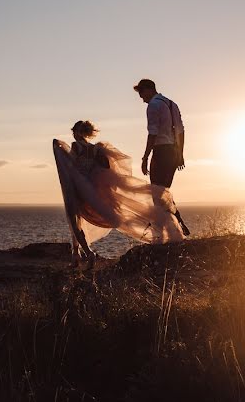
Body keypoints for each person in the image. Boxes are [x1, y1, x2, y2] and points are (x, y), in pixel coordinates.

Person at [53, 120, 185, 268]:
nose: (73, 135)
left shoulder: (76, 146)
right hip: (92, 187)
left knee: (74, 219)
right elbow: (106, 166)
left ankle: (87, 253)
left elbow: (72, 163)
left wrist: (58, 148)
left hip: (79, 187)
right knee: (77, 220)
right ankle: (76, 255)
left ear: (78, 132)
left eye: (74, 132)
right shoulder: (96, 149)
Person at [133, 78, 190, 235]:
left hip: (161, 151)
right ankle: (176, 227)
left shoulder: (153, 105)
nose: (141, 98)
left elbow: (152, 133)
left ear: (149, 89)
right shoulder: (172, 104)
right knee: (164, 192)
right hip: (173, 151)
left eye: (142, 93)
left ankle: (167, 229)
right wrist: (180, 154)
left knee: (158, 194)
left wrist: (145, 158)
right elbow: (181, 131)